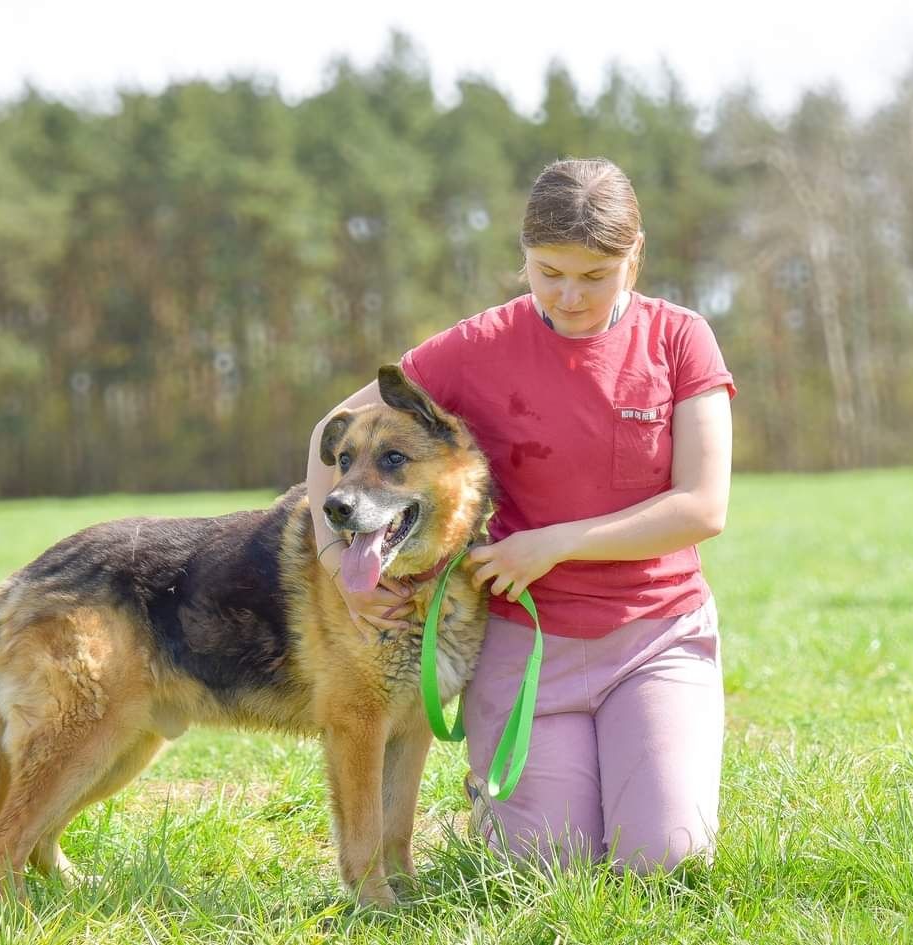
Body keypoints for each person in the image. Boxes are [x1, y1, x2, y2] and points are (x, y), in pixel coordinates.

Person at [305, 157, 735, 874]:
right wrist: (333, 556)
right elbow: (334, 428)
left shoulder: (681, 339)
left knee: (665, 861)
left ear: (635, 256)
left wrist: (552, 546)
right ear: (523, 258)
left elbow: (702, 505)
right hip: (523, 642)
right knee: (540, 866)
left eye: (595, 275)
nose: (569, 296)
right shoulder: (475, 347)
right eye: (548, 271)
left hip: (655, 637)